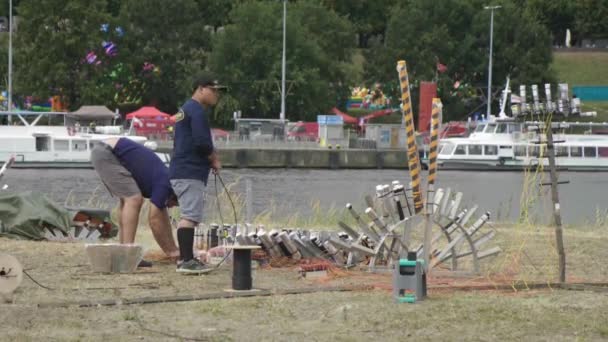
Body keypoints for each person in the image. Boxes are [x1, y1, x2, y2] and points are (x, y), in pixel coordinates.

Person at [90, 137, 180, 266]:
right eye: (173, 204)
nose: (170, 207)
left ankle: (122, 251)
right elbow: (154, 220)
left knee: (127, 200)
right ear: (173, 195)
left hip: (104, 150)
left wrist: (173, 249)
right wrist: (171, 252)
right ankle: (128, 255)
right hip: (108, 153)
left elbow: (162, 218)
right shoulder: (165, 184)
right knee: (134, 199)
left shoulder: (165, 184)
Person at [170, 72, 224, 274]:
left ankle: (185, 259)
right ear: (201, 88)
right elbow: (202, 141)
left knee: (189, 214)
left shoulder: (184, 109)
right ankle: (186, 261)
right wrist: (214, 159)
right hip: (190, 171)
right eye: (213, 90)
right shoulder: (197, 111)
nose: (216, 95)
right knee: (190, 216)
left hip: (180, 169)